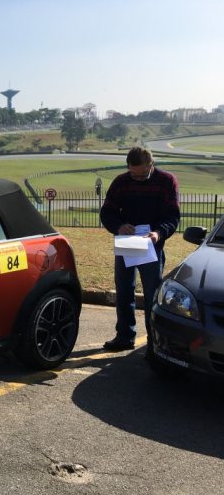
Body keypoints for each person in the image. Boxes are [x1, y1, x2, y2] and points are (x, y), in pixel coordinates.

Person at [99, 147, 180, 355]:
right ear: (128, 168)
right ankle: (125, 336)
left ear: (151, 165)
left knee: (152, 294)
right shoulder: (121, 182)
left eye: (142, 174)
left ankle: (154, 343)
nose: (137, 178)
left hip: (151, 245)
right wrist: (118, 226)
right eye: (133, 174)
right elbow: (107, 212)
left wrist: (158, 234)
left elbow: (172, 215)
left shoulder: (166, 181)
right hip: (127, 242)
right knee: (124, 291)